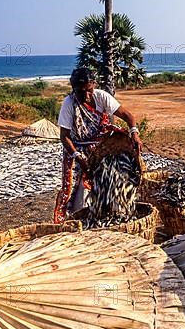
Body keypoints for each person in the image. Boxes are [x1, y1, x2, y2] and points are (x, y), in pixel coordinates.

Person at [53, 68, 143, 223]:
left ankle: (112, 215)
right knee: (79, 196)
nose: (87, 96)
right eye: (81, 92)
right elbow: (64, 137)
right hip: (77, 150)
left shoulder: (102, 97)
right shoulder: (69, 104)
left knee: (114, 184)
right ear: (73, 90)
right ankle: (79, 221)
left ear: (94, 85)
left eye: (89, 90)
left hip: (102, 149)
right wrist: (79, 157)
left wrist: (134, 132)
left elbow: (128, 116)